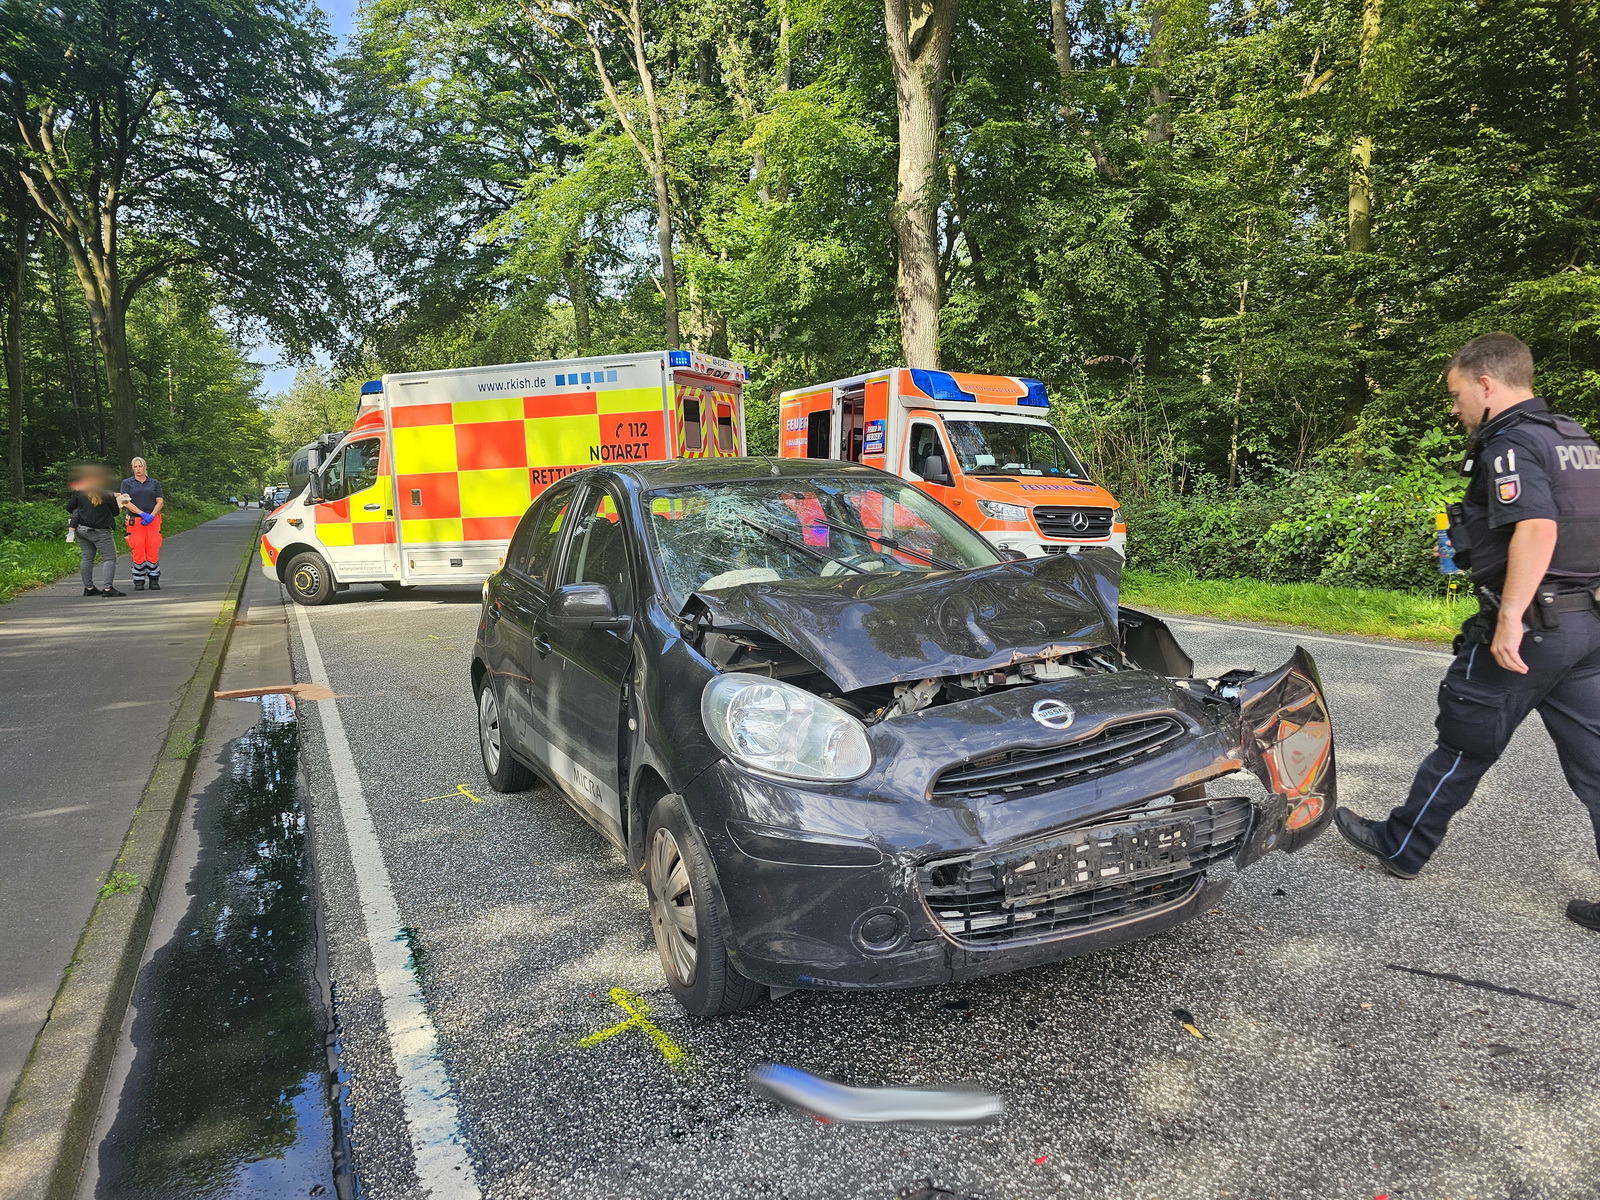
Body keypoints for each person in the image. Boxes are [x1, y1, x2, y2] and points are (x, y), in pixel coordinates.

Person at [1334, 333, 1600, 932]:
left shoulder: (1511, 443)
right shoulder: (1573, 439)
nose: (1455, 411)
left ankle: (1403, 845)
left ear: (1487, 384)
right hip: (1587, 628)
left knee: (1464, 737)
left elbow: (1536, 528)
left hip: (1532, 625)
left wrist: (1509, 617)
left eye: (1457, 397)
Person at [66, 463, 125, 597]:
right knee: (110, 558)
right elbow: (115, 512)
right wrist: (120, 503)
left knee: (87, 558)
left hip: (81, 529)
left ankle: (89, 587)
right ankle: (108, 589)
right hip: (100, 531)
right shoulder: (106, 494)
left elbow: (69, 508)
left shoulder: (79, 493)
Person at [120, 456, 165, 591]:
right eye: (135, 467)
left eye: (140, 466)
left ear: (145, 467)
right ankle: (139, 580)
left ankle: (154, 578)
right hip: (135, 520)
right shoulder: (127, 483)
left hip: (153, 520)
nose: (138, 469)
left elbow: (160, 501)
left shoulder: (154, 483)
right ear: (132, 468)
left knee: (153, 548)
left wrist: (151, 515)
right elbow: (125, 502)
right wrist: (141, 513)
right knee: (138, 548)